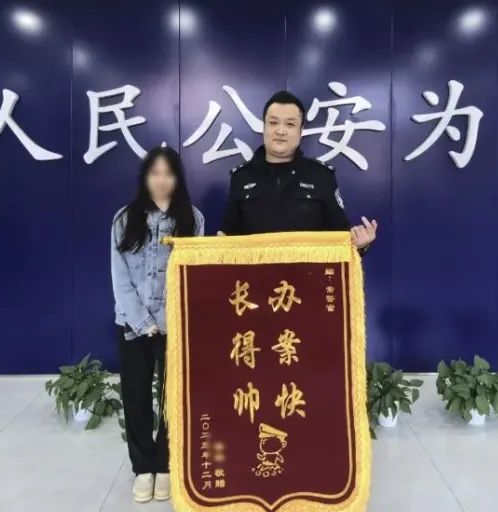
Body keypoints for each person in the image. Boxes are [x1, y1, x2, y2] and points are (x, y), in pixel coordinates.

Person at [111, 146, 204, 503]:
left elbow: (192, 275)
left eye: (168, 173)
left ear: (177, 178)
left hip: (175, 325)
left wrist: (166, 320)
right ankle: (142, 467)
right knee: (135, 396)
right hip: (132, 324)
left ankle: (164, 464)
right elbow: (120, 278)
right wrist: (143, 321)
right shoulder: (124, 219)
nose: (161, 180)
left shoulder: (192, 219)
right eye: (155, 173)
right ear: (145, 178)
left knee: (172, 398)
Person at [219, 90, 377, 250]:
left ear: (301, 131)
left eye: (290, 124)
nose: (280, 131)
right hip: (254, 266)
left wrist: (359, 244)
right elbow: (228, 237)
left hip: (308, 266)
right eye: (273, 123)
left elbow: (341, 237)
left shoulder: (321, 176)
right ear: (264, 127)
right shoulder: (242, 177)